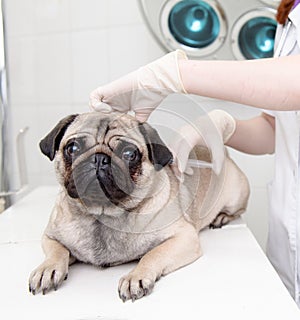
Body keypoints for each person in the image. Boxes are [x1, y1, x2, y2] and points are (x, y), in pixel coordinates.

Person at [89, 0, 300, 307]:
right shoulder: (287, 17)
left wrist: (172, 73)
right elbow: (274, 131)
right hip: (288, 235)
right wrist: (223, 127)